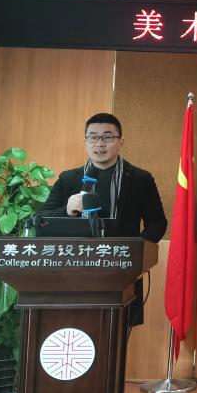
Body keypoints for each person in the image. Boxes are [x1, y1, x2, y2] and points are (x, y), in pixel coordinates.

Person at [39, 113, 167, 326]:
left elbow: (158, 222)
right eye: (93, 137)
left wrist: (136, 252)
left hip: (121, 272)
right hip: (73, 273)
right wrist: (67, 210)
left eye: (107, 137)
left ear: (120, 142)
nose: (99, 143)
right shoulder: (69, 179)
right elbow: (41, 219)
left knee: (116, 335)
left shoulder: (140, 179)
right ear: (85, 142)